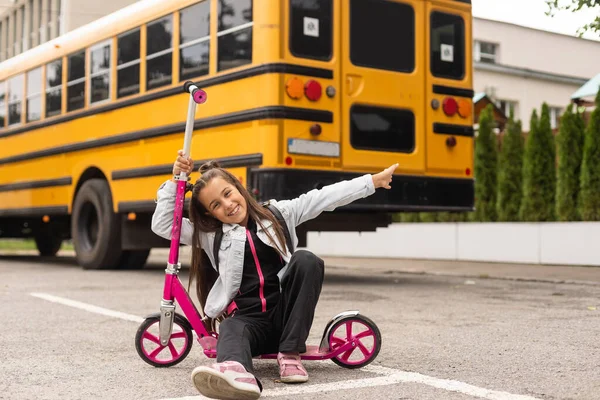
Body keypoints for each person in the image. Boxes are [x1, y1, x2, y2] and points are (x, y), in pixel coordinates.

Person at [151, 150, 398, 400]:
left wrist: (371, 182)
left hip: (286, 319)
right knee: (231, 328)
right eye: (216, 205)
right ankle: (236, 374)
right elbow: (162, 225)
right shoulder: (209, 236)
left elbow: (324, 197)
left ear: (238, 187)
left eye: (227, 193)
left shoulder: (280, 214)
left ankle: (289, 355)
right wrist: (175, 181)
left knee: (306, 260)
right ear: (209, 214)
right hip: (249, 323)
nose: (227, 204)